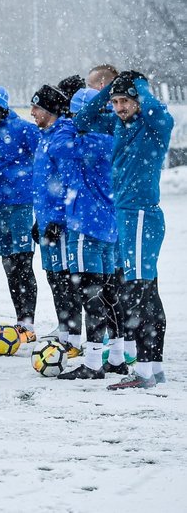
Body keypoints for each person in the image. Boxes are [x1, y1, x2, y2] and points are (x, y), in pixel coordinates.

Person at [79, 71, 174, 389]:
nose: (119, 108)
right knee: (147, 293)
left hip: (141, 216)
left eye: (125, 101)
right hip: (127, 217)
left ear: (138, 100)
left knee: (138, 294)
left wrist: (142, 85)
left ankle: (144, 372)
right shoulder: (118, 126)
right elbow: (82, 120)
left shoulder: (154, 126)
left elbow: (156, 111)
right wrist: (107, 92)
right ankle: (154, 368)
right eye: (116, 102)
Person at [57, 88, 119, 380]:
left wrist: (69, 124)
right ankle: (116, 355)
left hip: (85, 224)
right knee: (109, 293)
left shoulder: (84, 143)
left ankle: (93, 362)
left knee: (89, 293)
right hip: (108, 225)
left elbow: (56, 147)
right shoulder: (111, 140)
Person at [0, 84, 41, 341]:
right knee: (8, 264)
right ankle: (19, 319)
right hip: (0, 206)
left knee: (23, 262)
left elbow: (43, 162)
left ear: (1, 106)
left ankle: (28, 323)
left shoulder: (25, 129)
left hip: (23, 205)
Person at [30, 84, 82, 356]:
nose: (32, 112)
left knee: (65, 279)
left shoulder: (62, 137)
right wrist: (40, 219)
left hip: (60, 226)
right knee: (53, 277)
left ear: (49, 110)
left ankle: (72, 338)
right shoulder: (46, 136)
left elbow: (68, 184)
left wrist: (58, 220)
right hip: (46, 220)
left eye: (36, 107)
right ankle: (64, 332)